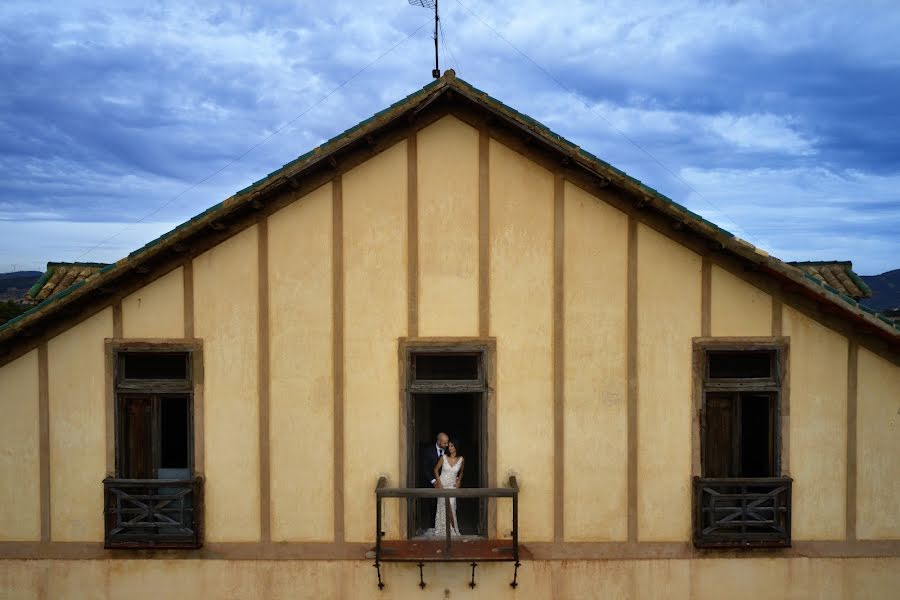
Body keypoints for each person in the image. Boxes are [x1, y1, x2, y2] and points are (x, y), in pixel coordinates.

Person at [433, 438, 464, 538]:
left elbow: (461, 472)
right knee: (442, 508)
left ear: (456, 447)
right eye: (449, 446)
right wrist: (439, 483)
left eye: (451, 446)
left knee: (451, 506)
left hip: (452, 487)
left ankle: (453, 529)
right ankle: (442, 530)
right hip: (442, 486)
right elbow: (436, 470)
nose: (449, 448)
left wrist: (459, 480)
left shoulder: (461, 459)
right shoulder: (444, 457)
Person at [419, 432, 449, 532]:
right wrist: (433, 481)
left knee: (445, 505)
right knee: (433, 505)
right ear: (438, 441)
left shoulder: (449, 450)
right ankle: (434, 527)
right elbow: (425, 468)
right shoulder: (428, 451)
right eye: (444, 443)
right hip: (431, 483)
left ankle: (445, 527)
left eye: (447, 443)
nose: (446, 445)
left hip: (445, 482)